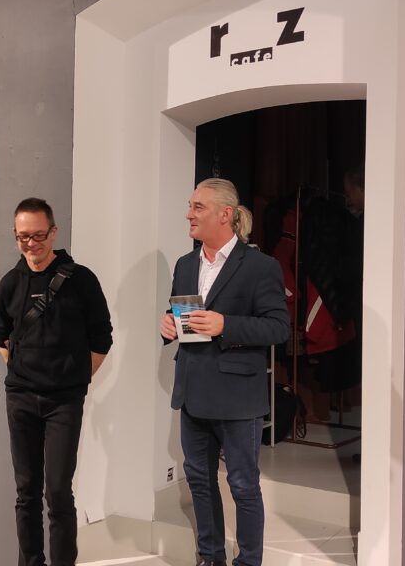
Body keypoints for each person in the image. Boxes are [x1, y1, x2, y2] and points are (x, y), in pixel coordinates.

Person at [159, 179, 290, 566]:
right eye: (190, 206)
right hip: (192, 391)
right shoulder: (185, 265)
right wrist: (168, 326)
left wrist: (225, 325)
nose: (189, 214)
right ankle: (211, 557)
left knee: (243, 485)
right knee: (199, 480)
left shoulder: (261, 267)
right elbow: (182, 316)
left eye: (198, 207)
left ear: (225, 214)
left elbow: (277, 328)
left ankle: (248, 561)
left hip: (238, 398)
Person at [0, 198, 113, 566]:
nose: (31, 244)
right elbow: (1, 336)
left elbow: (102, 338)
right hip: (21, 400)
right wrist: (22, 374)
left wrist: (73, 378)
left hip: (64, 402)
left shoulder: (81, 281)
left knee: (58, 492)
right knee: (26, 491)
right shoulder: (10, 283)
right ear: (15, 235)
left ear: (54, 232)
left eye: (39, 235)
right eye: (23, 237)